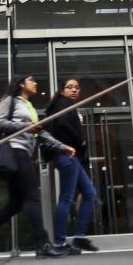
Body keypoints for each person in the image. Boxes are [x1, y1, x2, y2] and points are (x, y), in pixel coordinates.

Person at [0, 74, 76, 261]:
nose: (35, 83)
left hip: (23, 153)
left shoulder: (29, 106)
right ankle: (42, 244)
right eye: (31, 80)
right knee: (33, 198)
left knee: (16, 203)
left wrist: (61, 147)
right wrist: (24, 126)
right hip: (15, 152)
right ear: (21, 84)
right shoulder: (9, 100)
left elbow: (38, 132)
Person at [44, 78, 99, 254]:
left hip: (70, 157)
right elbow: (61, 124)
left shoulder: (63, 104)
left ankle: (80, 237)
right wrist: (80, 140)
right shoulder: (64, 103)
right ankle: (59, 243)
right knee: (66, 199)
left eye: (76, 87)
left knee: (89, 193)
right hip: (67, 155)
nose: (74, 90)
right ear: (62, 91)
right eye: (70, 87)